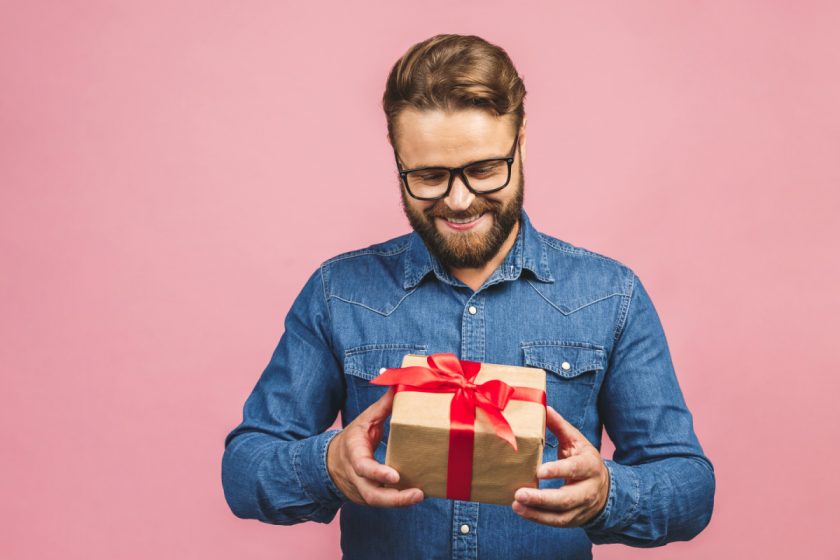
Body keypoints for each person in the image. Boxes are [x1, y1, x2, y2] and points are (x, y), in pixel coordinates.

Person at [221, 33, 715, 559]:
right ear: (398, 161)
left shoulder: (609, 296)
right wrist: (327, 465)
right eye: (430, 176)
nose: (459, 201)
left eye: (483, 169)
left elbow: (689, 485)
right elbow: (245, 467)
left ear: (521, 141)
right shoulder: (338, 293)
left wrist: (608, 495)